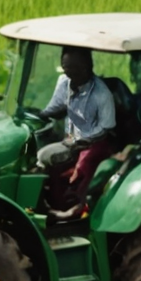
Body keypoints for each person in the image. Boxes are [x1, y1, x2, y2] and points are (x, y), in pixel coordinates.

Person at [36, 47, 119, 216]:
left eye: (73, 68)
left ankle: (79, 207)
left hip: (96, 142)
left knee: (87, 160)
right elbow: (55, 109)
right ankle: (50, 204)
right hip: (72, 140)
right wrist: (39, 116)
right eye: (66, 67)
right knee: (45, 156)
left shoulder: (101, 93)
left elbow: (105, 127)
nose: (69, 72)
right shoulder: (65, 84)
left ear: (86, 67)